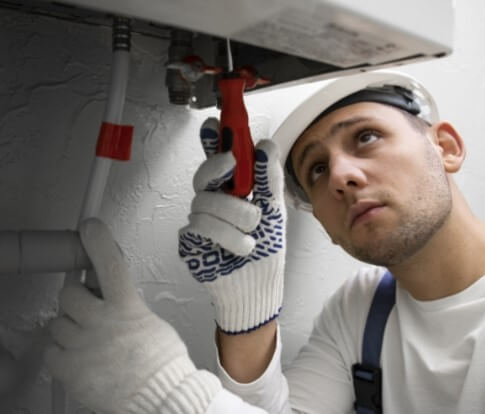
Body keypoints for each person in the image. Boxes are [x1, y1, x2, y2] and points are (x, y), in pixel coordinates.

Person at [44, 70, 485, 413]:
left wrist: (167, 392)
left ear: (446, 146)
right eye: (316, 169)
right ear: (327, 228)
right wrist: (248, 321)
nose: (341, 177)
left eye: (366, 137)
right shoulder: (362, 308)